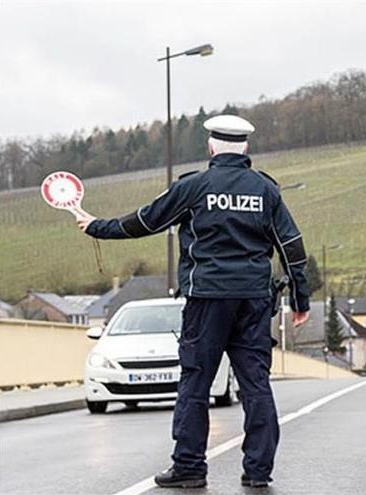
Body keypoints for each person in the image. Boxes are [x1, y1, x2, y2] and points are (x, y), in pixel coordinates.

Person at [76, 114, 311, 489]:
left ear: (211, 146)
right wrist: (301, 298)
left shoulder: (195, 187)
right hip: (253, 299)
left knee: (196, 382)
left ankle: (189, 467)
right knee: (255, 385)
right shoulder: (265, 190)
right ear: (246, 148)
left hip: (207, 299)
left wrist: (96, 225)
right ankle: (258, 471)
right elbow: (292, 247)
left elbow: (145, 221)